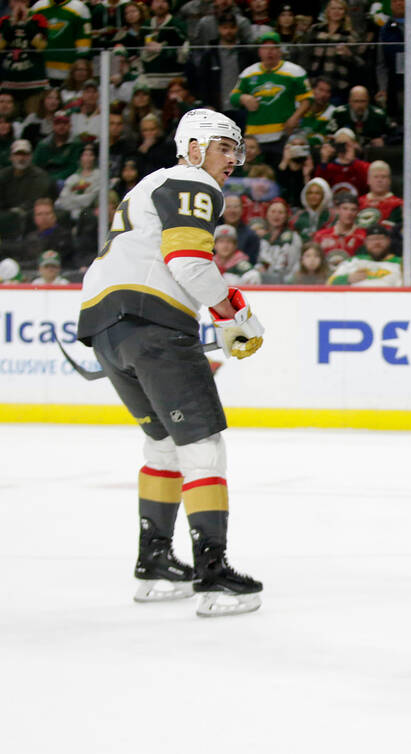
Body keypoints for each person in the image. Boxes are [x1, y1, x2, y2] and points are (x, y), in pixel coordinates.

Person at [74, 108, 264, 616]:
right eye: (226, 147)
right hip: (153, 325)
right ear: (196, 146)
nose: (234, 158)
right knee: (203, 446)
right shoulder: (193, 182)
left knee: (161, 440)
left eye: (236, 148)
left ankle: (154, 560)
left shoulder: (148, 184)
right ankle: (212, 573)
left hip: (105, 327)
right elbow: (188, 262)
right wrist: (232, 310)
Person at [231, 31, 313, 164]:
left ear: (280, 51)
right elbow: (233, 97)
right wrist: (244, 98)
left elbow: (308, 99)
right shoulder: (248, 73)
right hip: (255, 137)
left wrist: (294, 118)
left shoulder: (294, 72)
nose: (269, 52)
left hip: (283, 135)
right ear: (259, 51)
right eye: (265, 48)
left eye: (273, 48)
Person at [328, 223, 404, 286]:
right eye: (372, 239)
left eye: (380, 238)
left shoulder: (401, 263)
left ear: (388, 241)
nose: (376, 243)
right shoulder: (354, 261)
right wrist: (348, 279)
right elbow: (330, 282)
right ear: (365, 242)